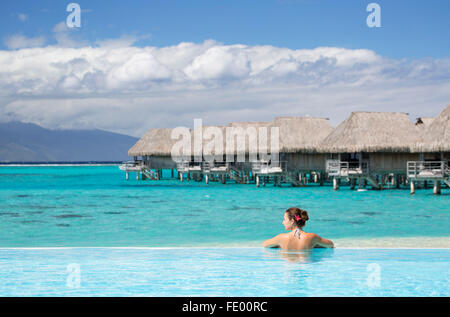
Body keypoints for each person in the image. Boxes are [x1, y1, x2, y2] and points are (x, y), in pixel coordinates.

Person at [262, 207, 334, 250]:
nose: (282, 222)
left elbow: (264, 245)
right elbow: (331, 244)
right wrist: (315, 244)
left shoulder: (281, 238)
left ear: (292, 221)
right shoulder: (312, 237)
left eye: (284, 219)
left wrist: (279, 245)